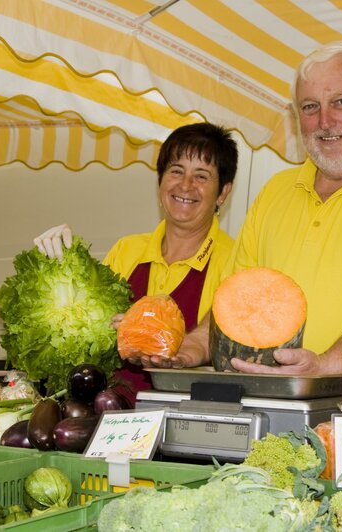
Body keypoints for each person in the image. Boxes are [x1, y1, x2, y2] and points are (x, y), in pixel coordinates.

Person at [129, 41, 342, 424]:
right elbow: (236, 304)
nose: (325, 121)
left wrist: (327, 367)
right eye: (310, 107)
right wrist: (190, 347)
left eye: (341, 102)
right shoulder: (275, 191)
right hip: (291, 423)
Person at [34, 122, 239, 404]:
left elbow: (227, 352)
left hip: (183, 423)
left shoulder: (235, 260)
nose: (186, 185)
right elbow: (86, 332)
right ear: (160, 180)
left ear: (223, 192)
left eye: (201, 176)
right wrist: (67, 271)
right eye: (176, 170)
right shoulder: (127, 249)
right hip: (108, 417)